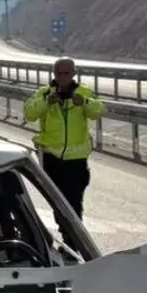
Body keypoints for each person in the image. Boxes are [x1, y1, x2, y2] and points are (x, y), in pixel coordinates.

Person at [23, 57, 104, 219]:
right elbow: (29, 114)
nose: (62, 77)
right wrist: (47, 102)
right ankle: (66, 236)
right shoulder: (44, 93)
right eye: (59, 73)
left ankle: (73, 241)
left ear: (74, 73)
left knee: (74, 206)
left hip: (76, 159)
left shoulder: (84, 92)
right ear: (54, 73)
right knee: (58, 205)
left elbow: (98, 111)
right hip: (51, 158)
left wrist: (84, 102)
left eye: (67, 73)